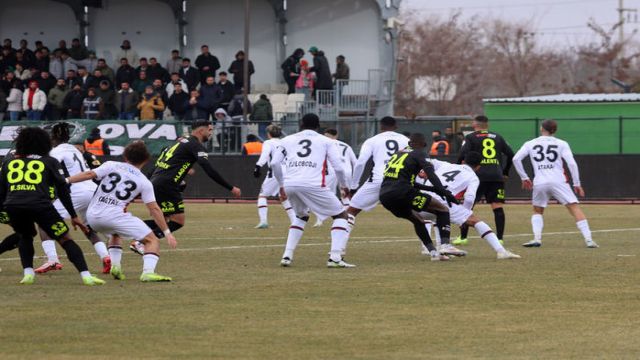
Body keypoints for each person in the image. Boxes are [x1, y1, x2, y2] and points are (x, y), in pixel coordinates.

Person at [0, 127, 104, 285]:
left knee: (25, 236)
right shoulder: (49, 161)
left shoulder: (10, 163)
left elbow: (2, 190)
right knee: (65, 239)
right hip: (40, 205)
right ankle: (86, 276)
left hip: (14, 205)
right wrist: (74, 216)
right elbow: (62, 190)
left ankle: (28, 274)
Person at [67, 141, 177, 282]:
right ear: (146, 159)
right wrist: (167, 232)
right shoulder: (144, 182)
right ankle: (148, 273)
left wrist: (66, 180)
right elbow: (154, 209)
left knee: (115, 233)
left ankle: (116, 266)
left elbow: (89, 174)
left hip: (93, 217)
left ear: (125, 156)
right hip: (113, 216)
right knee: (152, 240)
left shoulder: (111, 164)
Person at [132, 120, 241, 254]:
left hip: (158, 182)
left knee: (163, 219)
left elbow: (160, 162)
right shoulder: (195, 145)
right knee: (178, 221)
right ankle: (138, 240)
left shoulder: (180, 142)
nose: (211, 133)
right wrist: (230, 187)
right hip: (167, 185)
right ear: (201, 131)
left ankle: (131, 231)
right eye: (210, 130)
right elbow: (208, 168)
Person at [269, 114, 353, 268]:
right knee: (342, 215)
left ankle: (287, 256)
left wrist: (281, 185)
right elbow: (339, 167)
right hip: (313, 184)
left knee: (301, 216)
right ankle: (335, 257)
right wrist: (343, 186)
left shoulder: (287, 140)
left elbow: (274, 163)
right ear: (318, 126)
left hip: (290, 184)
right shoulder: (327, 141)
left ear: (301, 124)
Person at [34, 123, 113, 274]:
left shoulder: (56, 151)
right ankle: (106, 256)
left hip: (76, 190)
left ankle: (52, 260)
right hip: (92, 189)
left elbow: (49, 169)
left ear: (53, 137)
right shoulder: (74, 149)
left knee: (44, 221)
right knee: (87, 227)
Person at [512, 119, 598, 248]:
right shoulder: (561, 143)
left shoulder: (530, 143)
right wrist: (576, 183)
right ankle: (589, 240)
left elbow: (516, 159)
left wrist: (524, 177)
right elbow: (571, 163)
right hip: (559, 181)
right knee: (574, 208)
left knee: (537, 210)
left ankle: (537, 239)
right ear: (555, 130)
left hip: (540, 181)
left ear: (541, 128)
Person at [420, 154, 521, 259]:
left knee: (437, 219)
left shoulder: (446, 165)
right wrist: (466, 214)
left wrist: (422, 169)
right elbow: (469, 198)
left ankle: (438, 254)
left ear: (463, 162)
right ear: (478, 167)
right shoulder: (473, 177)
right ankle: (501, 251)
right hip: (441, 201)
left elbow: (428, 160)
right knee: (475, 221)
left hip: (421, 199)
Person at [378, 133, 460, 261]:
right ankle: (445, 245)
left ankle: (433, 253)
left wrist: (433, 189)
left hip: (385, 196)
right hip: (403, 193)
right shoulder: (419, 153)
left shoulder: (398, 153)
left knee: (418, 221)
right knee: (442, 210)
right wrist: (445, 193)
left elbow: (403, 180)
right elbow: (431, 175)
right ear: (422, 144)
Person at [454, 115, 514, 246]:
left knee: (467, 207)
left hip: (477, 177)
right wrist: (505, 171)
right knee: (497, 206)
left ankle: (463, 237)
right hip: (496, 176)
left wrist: (459, 172)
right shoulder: (497, 137)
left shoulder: (470, 137)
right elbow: (511, 155)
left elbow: (461, 155)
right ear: (487, 125)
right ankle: (499, 238)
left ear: (475, 124)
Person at [346, 117, 409, 240]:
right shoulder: (406, 140)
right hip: (400, 181)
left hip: (378, 180)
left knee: (351, 211)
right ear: (396, 127)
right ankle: (432, 248)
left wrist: (354, 186)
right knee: (422, 212)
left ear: (381, 127)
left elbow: (360, 163)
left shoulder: (372, 140)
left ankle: (338, 251)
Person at [311, 128, 357, 228]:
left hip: (332, 171)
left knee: (325, 196)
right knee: (345, 196)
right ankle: (348, 219)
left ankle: (320, 219)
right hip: (347, 172)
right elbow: (355, 162)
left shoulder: (324, 144)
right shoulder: (346, 145)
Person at [253, 124, 296, 228]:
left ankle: (263, 221)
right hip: (288, 172)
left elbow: (265, 155)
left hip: (275, 172)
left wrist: (258, 166)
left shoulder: (268, 142)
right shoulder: (285, 142)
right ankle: (294, 221)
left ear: (268, 134)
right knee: (284, 197)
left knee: (262, 196)